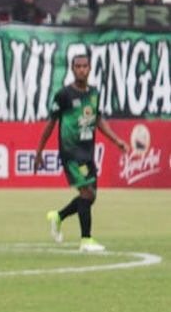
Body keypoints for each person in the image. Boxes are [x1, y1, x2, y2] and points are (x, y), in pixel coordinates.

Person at [35, 54, 129, 252]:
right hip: (70, 152)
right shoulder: (63, 95)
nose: (81, 70)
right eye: (78, 66)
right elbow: (50, 124)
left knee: (91, 197)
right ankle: (86, 240)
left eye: (84, 66)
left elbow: (98, 120)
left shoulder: (94, 93)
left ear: (90, 68)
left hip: (87, 151)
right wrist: (39, 152)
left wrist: (116, 140)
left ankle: (58, 216)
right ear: (72, 69)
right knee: (86, 193)